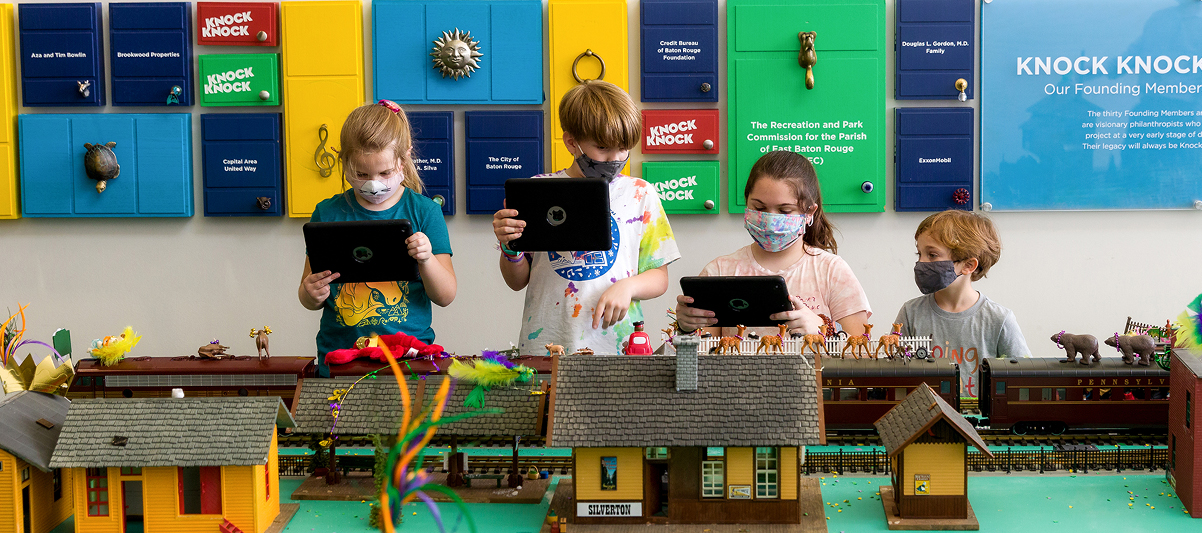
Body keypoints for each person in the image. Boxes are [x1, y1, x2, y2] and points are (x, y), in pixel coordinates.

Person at [492, 80, 679, 354]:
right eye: (603, 148)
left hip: (618, 344)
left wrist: (628, 287)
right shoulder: (538, 190)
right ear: (571, 142)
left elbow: (659, 278)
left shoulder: (640, 194)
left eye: (624, 148)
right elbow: (517, 281)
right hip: (546, 342)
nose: (615, 158)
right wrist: (510, 248)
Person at [298, 100, 456, 376]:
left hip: (409, 358)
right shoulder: (327, 212)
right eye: (360, 174)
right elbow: (308, 295)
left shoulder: (425, 212)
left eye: (385, 173)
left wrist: (427, 258)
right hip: (340, 359)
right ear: (343, 162)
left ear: (404, 159)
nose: (373, 183)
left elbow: (446, 295)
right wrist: (312, 293)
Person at [674, 151, 871, 340]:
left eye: (785, 210)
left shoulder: (832, 271)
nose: (770, 220)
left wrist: (822, 329)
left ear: (809, 211)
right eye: (759, 208)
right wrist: (686, 328)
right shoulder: (718, 272)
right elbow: (703, 356)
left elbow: (863, 353)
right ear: (746, 202)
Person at [894, 209, 1029, 402]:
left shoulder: (999, 320)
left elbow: (1022, 380)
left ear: (968, 265)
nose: (920, 263)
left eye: (932, 255)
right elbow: (895, 374)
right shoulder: (910, 313)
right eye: (919, 253)